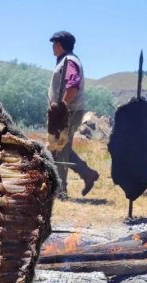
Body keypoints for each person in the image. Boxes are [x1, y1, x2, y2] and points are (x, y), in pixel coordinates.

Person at [47, 31, 99, 199]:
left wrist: (62, 106)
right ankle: (88, 174)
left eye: (53, 44)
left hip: (68, 112)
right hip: (68, 111)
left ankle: (60, 190)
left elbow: (73, 86)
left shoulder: (69, 61)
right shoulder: (67, 60)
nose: (52, 47)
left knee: (59, 147)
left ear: (59, 45)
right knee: (62, 147)